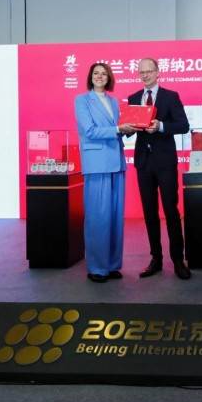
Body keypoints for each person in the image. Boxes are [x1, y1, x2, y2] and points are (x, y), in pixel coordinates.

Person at [128, 58, 192, 280]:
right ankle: (156, 258)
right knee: (149, 212)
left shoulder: (170, 96)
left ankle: (178, 260)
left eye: (149, 71)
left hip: (165, 162)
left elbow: (183, 125)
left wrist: (162, 126)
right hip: (143, 162)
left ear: (158, 72)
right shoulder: (134, 98)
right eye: (141, 72)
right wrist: (126, 127)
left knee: (171, 211)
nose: (145, 75)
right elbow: (129, 128)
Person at [74, 63, 137, 283]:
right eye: (96, 73)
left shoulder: (113, 102)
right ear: (90, 77)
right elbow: (89, 131)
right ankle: (96, 267)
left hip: (116, 161)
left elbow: (118, 129)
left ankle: (111, 265)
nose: (100, 76)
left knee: (115, 217)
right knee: (97, 217)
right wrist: (119, 129)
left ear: (109, 78)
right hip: (97, 163)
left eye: (104, 73)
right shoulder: (82, 100)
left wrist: (134, 127)